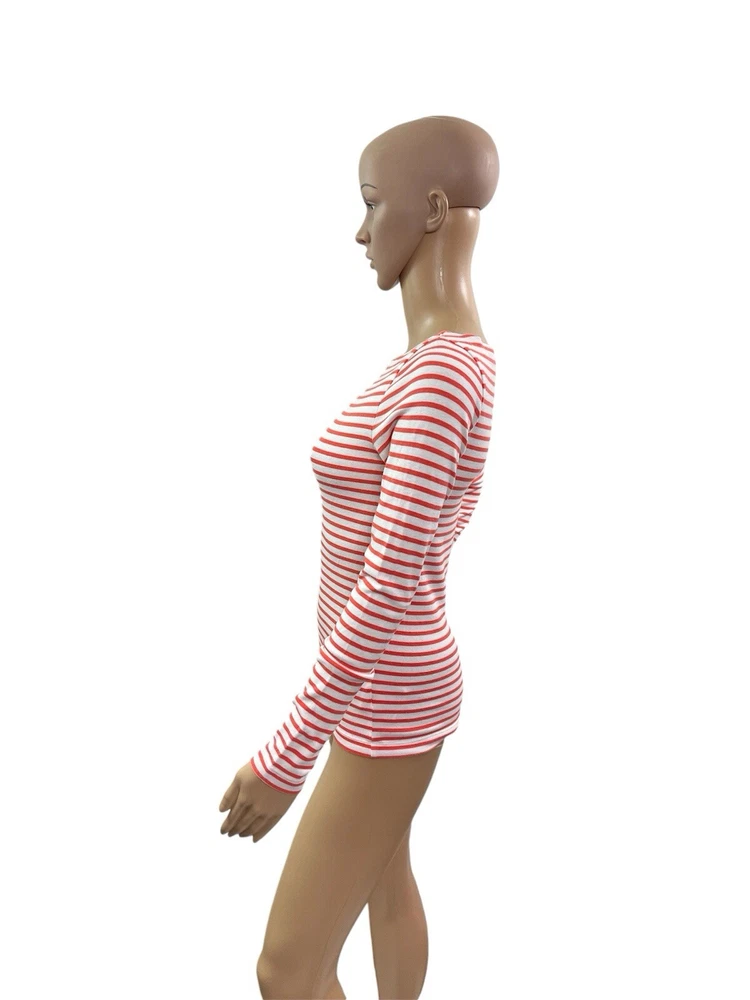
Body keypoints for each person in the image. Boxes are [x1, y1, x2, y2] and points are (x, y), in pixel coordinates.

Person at [219, 114, 499, 1000]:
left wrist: (287, 754)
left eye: (372, 203)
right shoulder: (429, 361)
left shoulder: (442, 374)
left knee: (287, 968)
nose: (359, 229)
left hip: (390, 690)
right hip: (375, 681)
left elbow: (385, 587)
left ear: (433, 209)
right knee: (383, 879)